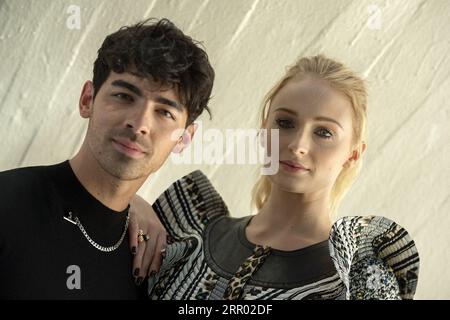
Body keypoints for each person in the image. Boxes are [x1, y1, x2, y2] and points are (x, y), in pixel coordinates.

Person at [145, 54, 420, 300]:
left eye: (324, 132)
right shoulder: (188, 230)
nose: (298, 144)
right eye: (285, 123)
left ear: (352, 155)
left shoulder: (358, 282)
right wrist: (127, 205)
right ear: (264, 130)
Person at [0, 18, 214, 299]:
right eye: (124, 96)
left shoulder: (161, 266)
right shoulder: (8, 205)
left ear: (184, 139)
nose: (139, 124)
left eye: (164, 113)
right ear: (87, 99)